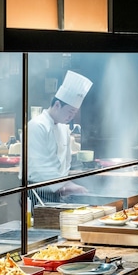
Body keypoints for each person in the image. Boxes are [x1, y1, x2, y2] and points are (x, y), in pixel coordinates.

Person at [28, 70, 92, 205]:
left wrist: (65, 185)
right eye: (70, 112)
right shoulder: (36, 125)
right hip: (38, 191)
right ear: (57, 105)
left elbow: (67, 160)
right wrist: (66, 186)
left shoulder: (64, 128)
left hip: (58, 191)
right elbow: (41, 164)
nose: (71, 117)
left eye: (74, 113)